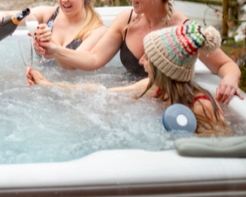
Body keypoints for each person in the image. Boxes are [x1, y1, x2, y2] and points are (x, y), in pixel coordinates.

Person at [36, 0, 242, 104]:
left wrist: (229, 80)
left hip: (162, 101)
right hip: (132, 97)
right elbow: (92, 59)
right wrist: (54, 50)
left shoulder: (183, 32)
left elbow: (225, 65)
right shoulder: (126, 20)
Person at [27, 21, 230, 136]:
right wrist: (49, 85)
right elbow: (100, 91)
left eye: (148, 58)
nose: (141, 62)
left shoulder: (201, 107)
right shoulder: (154, 87)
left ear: (164, 68)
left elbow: (221, 148)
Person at [0, 0, 106, 69]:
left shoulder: (96, 30)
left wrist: (51, 44)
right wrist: (0, 16)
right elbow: (17, 17)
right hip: (41, 80)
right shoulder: (48, 14)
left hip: (73, 87)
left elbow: (73, 67)